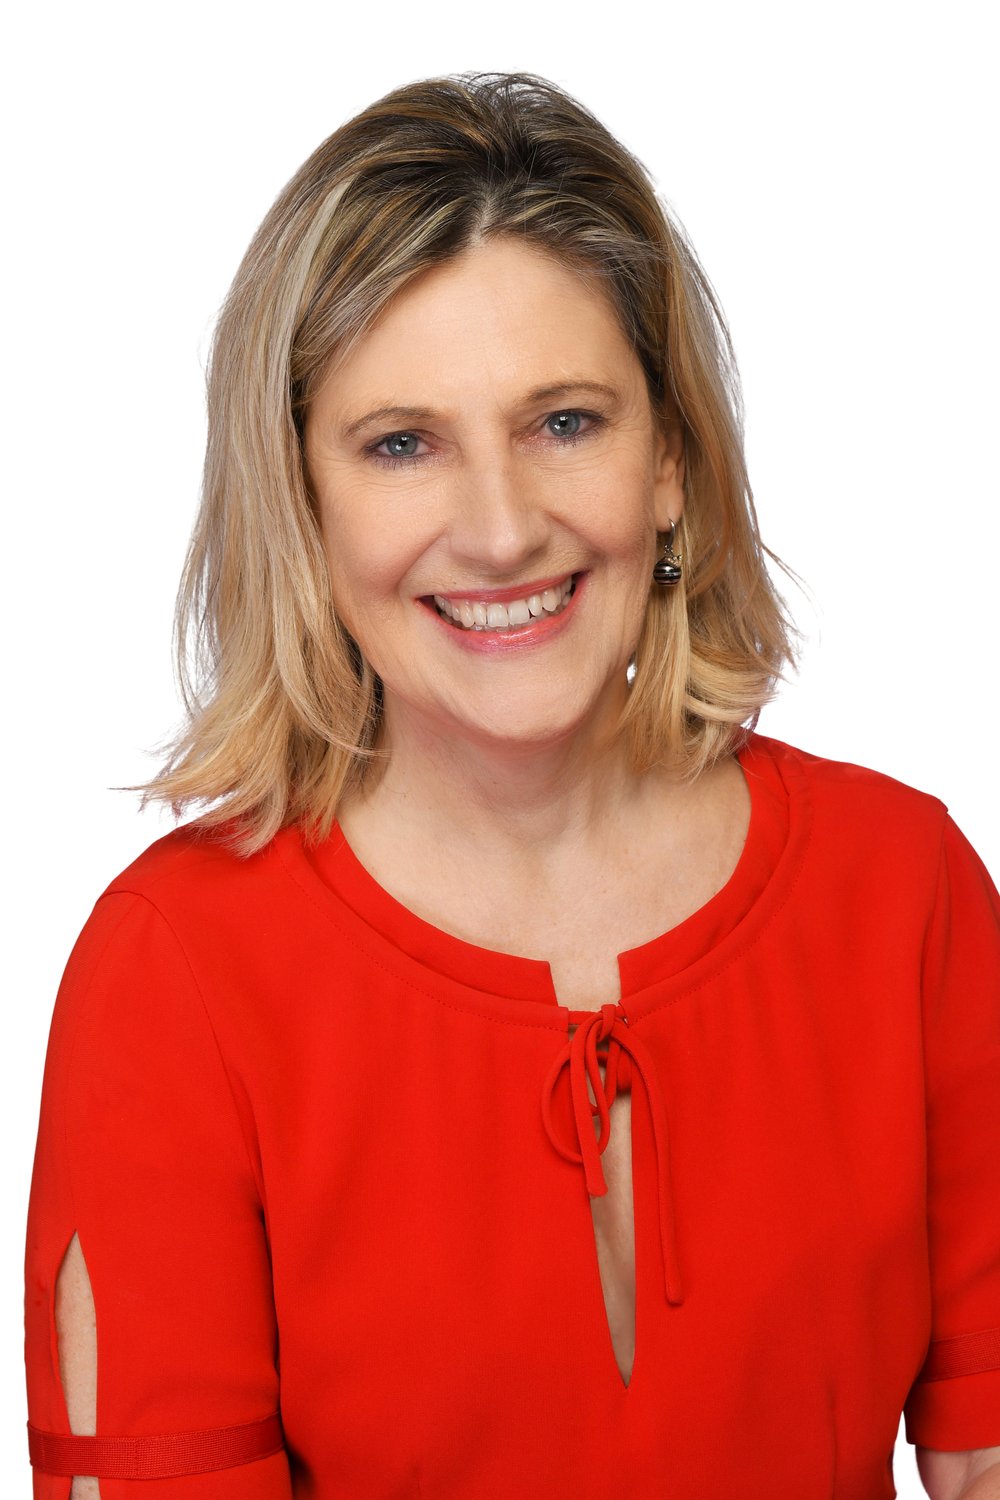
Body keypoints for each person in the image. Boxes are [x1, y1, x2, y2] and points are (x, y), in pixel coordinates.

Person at [22, 70, 1000, 1500]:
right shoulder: (173, 976)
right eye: (401, 444)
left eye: (565, 423)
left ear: (671, 460)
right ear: (301, 505)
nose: (498, 531)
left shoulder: (905, 891)